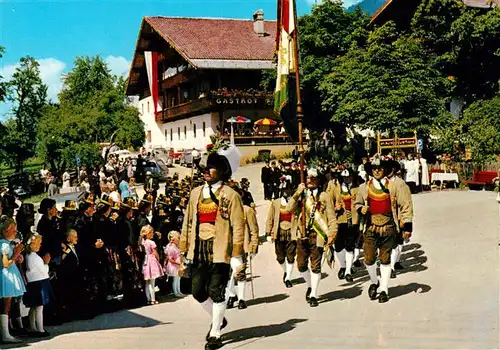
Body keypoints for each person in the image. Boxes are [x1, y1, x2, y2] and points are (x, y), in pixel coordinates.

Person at [180, 145, 245, 350]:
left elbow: (238, 226)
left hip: (220, 251)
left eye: (211, 168)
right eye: (205, 168)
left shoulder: (231, 195)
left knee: (217, 291)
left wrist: (237, 255)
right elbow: (188, 223)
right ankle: (219, 318)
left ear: (222, 170)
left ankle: (215, 333)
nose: (206, 171)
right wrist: (184, 249)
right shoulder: (195, 193)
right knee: (197, 291)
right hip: (198, 250)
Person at [355, 156, 413, 303]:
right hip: (370, 227)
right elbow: (357, 204)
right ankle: (375, 282)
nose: (377, 171)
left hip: (388, 227)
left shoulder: (394, 186)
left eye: (380, 168)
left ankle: (384, 290)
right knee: (368, 259)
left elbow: (405, 206)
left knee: (385, 259)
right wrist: (361, 209)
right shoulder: (364, 188)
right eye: (374, 168)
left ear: (385, 170)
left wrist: (407, 226)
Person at [287, 168, 338, 307]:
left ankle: (314, 294)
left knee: (315, 266)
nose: (310, 180)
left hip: (318, 235)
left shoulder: (324, 196)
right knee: (301, 266)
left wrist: (332, 233)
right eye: (308, 178)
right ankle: (310, 285)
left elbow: (332, 217)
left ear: (318, 180)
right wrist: (298, 192)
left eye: (313, 178)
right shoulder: (301, 195)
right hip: (302, 235)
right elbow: (288, 208)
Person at [226, 183, 259, 310]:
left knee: (240, 273)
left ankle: (241, 298)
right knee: (228, 274)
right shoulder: (224, 211)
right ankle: (231, 295)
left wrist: (253, 246)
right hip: (226, 247)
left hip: (241, 246)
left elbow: (254, 230)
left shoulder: (247, 210)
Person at [265, 175, 297, 288]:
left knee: (291, 256)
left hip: (292, 232)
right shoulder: (276, 202)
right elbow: (270, 218)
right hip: (279, 232)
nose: (285, 192)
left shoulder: (295, 202)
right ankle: (285, 271)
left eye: (287, 190)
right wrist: (268, 232)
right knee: (280, 258)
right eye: (283, 190)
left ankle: (288, 277)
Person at [0, 216, 26, 343]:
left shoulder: (6, 243)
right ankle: (5, 334)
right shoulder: (4, 244)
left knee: (7, 305)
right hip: (6, 276)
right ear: (5, 231)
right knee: (6, 305)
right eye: (13, 230)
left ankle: (6, 332)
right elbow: (5, 263)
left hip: (10, 273)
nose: (15, 232)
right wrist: (16, 253)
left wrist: (17, 257)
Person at [23, 233, 52, 336]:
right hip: (39, 283)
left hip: (33, 283)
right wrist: (46, 263)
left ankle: (33, 327)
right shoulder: (35, 257)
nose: (40, 245)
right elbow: (44, 271)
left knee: (33, 307)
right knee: (39, 307)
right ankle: (40, 329)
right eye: (38, 243)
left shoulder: (28, 256)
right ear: (32, 244)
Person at [335, 169, 360, 283]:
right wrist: (336, 207)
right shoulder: (336, 188)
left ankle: (348, 271)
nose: (347, 179)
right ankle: (343, 266)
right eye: (345, 177)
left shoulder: (357, 189)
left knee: (350, 246)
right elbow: (329, 202)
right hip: (340, 220)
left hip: (353, 221)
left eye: (349, 177)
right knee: (339, 246)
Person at [140, 225, 163, 305]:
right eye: (152, 232)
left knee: (147, 282)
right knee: (152, 283)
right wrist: (158, 258)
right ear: (148, 233)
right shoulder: (151, 242)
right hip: (152, 261)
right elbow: (155, 252)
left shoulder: (142, 242)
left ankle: (148, 299)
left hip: (145, 261)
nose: (153, 233)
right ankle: (153, 299)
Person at [164, 231, 184, 298]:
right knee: (176, 279)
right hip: (174, 265)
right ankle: (175, 292)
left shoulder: (176, 246)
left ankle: (179, 291)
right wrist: (177, 262)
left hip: (178, 265)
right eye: (178, 238)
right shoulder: (171, 247)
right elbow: (170, 258)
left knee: (178, 278)